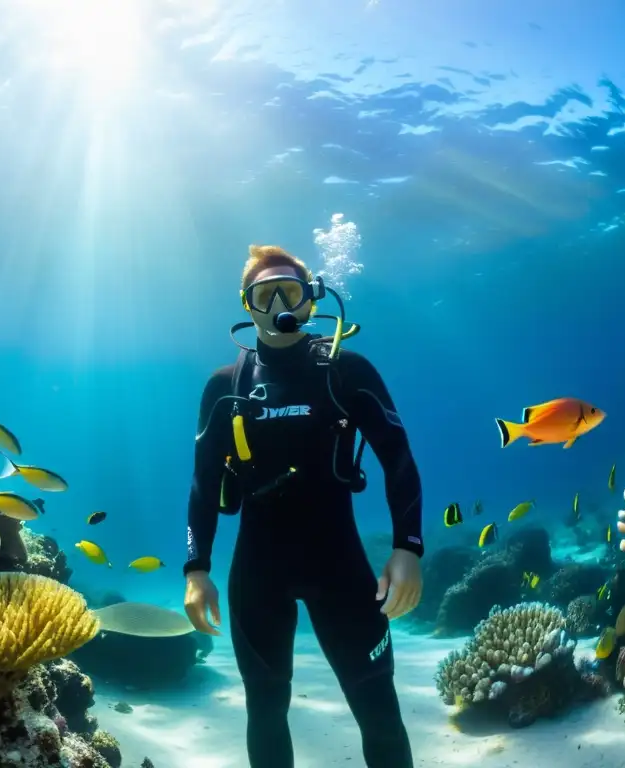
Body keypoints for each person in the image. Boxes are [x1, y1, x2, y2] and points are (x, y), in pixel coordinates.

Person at [182, 244, 423, 768]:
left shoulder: (347, 370)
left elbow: (398, 458)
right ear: (247, 306)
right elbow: (203, 483)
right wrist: (196, 569)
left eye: (288, 292)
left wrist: (408, 547)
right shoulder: (226, 386)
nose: (276, 306)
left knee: (377, 704)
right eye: (262, 295)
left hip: (340, 564)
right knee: (265, 709)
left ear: (311, 300)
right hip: (258, 571)